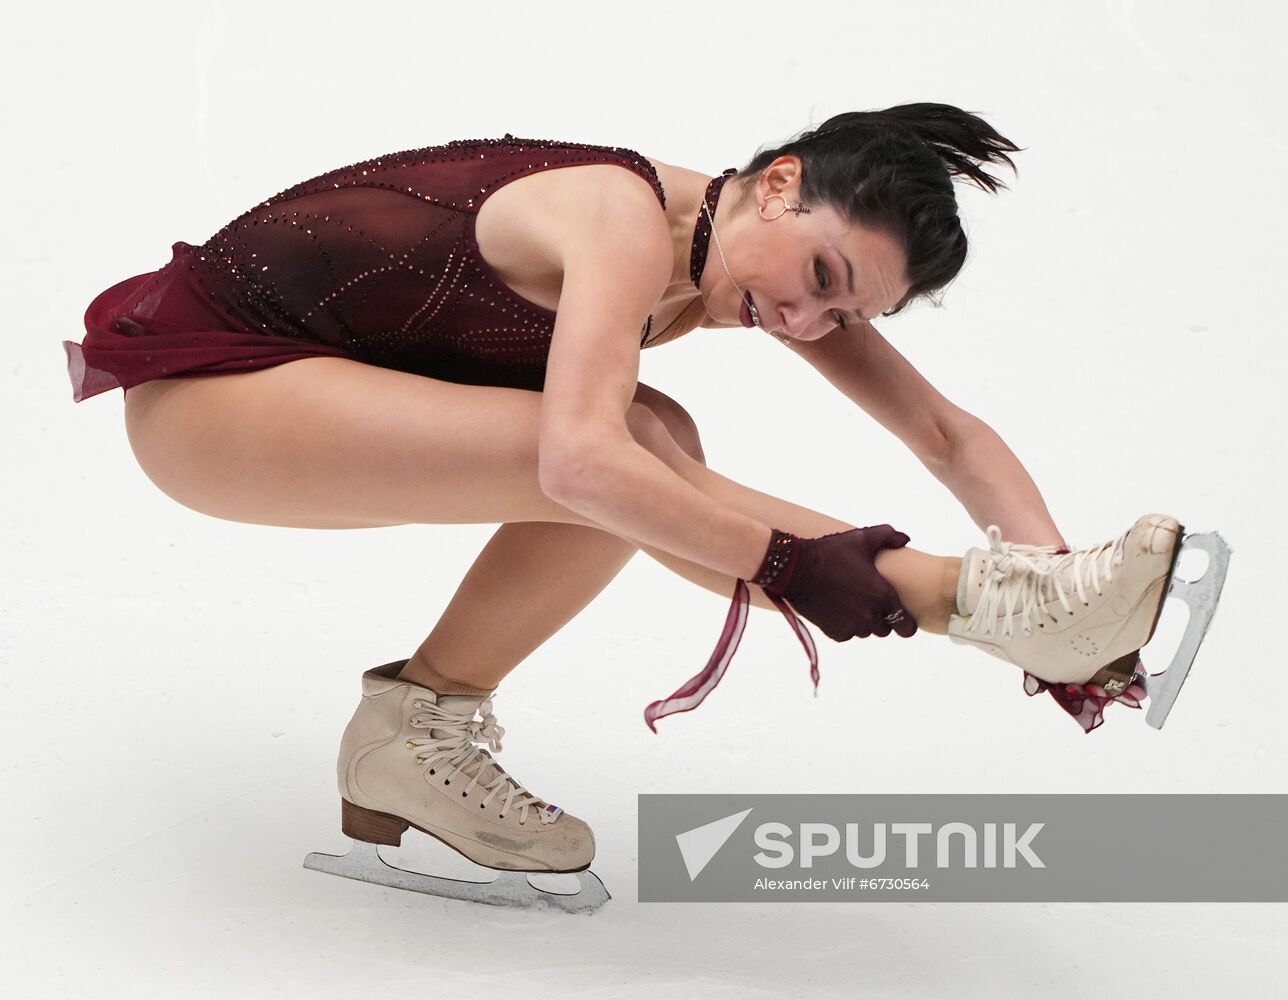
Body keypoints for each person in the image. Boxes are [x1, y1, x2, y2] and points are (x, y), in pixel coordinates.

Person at [63, 105, 1188, 903]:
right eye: (825, 279)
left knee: (653, 439)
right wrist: (802, 565)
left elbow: (945, 432)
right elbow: (579, 467)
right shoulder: (619, 216)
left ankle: (414, 730)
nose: (808, 320)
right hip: (213, 400)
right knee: (611, 448)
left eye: (845, 315)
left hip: (313, 398)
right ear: (782, 180)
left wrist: (1055, 575)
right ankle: (967, 601)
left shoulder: (742, 272)